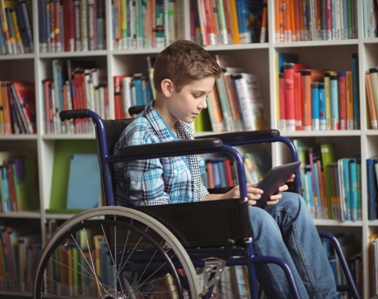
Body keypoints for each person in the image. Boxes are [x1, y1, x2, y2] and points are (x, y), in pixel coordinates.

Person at [113, 40, 338, 299]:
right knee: (256, 220)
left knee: (292, 204)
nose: (204, 105)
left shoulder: (182, 129)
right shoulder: (142, 135)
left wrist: (231, 197)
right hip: (167, 232)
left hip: (193, 219)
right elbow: (156, 216)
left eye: (206, 96)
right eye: (197, 95)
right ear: (167, 87)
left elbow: (197, 195)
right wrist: (226, 207)